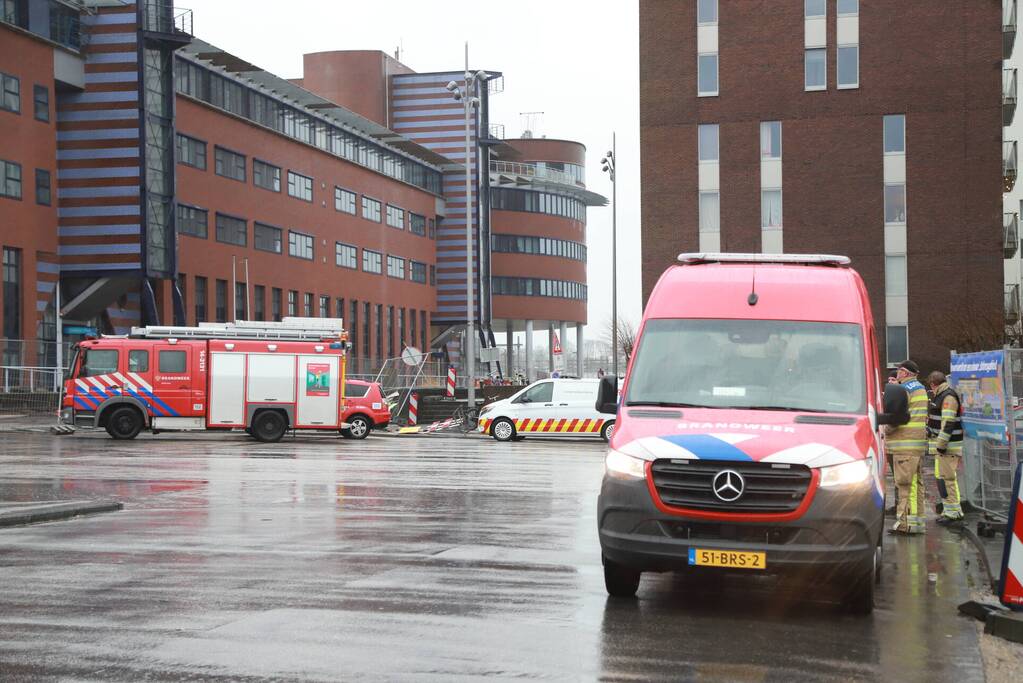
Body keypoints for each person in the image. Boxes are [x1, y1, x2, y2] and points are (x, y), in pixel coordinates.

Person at [885, 360, 929, 534]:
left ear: (905, 372)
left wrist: (885, 429)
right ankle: (916, 522)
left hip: (903, 445)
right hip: (916, 445)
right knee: (916, 484)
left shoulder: (902, 390)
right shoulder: (920, 388)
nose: (897, 373)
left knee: (904, 485)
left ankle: (905, 524)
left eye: (899, 370)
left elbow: (896, 418)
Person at [926, 370, 965, 524]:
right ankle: (949, 510)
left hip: (948, 446)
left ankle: (954, 513)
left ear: (933, 384)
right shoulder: (942, 395)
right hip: (944, 446)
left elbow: (948, 423)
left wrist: (941, 445)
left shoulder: (947, 397)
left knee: (947, 479)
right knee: (943, 478)